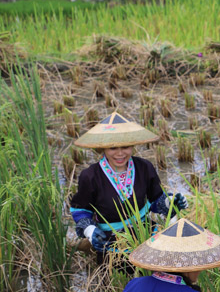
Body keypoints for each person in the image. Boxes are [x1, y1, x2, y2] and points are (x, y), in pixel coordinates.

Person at [70, 112, 188, 265]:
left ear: (132, 145)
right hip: (111, 244)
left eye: (125, 147)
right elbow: (81, 210)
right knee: (117, 285)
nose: (120, 153)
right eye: (113, 148)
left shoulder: (144, 167)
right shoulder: (90, 176)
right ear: (103, 148)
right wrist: (90, 230)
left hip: (146, 236)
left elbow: (155, 199)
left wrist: (170, 202)